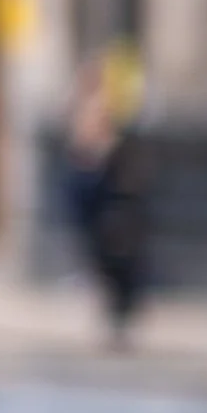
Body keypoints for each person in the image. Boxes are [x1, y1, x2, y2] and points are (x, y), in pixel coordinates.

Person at [64, 44, 151, 349]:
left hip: (105, 201)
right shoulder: (84, 110)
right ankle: (111, 319)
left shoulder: (107, 113)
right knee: (99, 262)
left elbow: (108, 156)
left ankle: (117, 320)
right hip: (90, 197)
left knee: (113, 264)